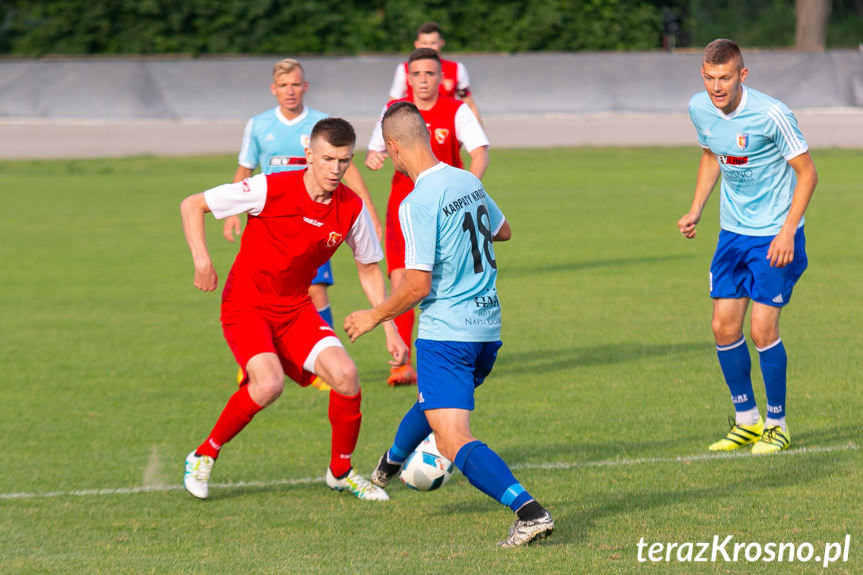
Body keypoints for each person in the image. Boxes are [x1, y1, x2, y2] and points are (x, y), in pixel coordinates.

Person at [345, 102, 554, 547]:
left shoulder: (415, 201)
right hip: (486, 329)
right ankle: (389, 464)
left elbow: (417, 286)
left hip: (447, 333)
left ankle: (529, 511)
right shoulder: (467, 180)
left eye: (389, 153)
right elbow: (504, 231)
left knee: (454, 436)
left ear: (397, 148)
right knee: (436, 403)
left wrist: (372, 314)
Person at [180, 118, 408, 501]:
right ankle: (203, 454)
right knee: (268, 384)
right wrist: (202, 260)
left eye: (344, 161)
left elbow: (368, 268)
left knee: (347, 376)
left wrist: (388, 327)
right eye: (327, 159)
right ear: (309, 155)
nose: (335, 169)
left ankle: (341, 472)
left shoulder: (351, 208)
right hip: (246, 304)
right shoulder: (271, 187)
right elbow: (193, 205)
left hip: (295, 308)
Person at [677, 39, 817, 454]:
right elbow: (709, 155)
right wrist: (696, 208)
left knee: (761, 328)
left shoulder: (772, 113)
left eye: (724, 78)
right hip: (732, 234)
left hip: (775, 234)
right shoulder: (699, 108)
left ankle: (778, 424)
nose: (716, 87)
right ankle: (747, 421)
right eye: (709, 78)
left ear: (743, 75)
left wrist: (789, 230)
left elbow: (807, 174)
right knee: (723, 327)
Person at [224, 59, 383, 392]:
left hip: (316, 219)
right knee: (259, 292)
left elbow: (348, 170)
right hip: (273, 222)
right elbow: (246, 168)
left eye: (296, 84)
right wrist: (232, 214)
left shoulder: (320, 125)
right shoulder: (258, 125)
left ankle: (319, 365)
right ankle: (254, 361)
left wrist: (368, 208)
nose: (290, 91)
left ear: (305, 87)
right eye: (284, 86)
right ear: (274, 89)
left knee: (315, 288)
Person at [367, 47, 490, 385]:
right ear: (408, 78)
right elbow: (374, 151)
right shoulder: (394, 111)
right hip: (403, 206)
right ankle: (402, 360)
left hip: (447, 209)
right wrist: (374, 158)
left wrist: (468, 188)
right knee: (402, 280)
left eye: (430, 74)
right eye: (417, 74)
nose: (423, 80)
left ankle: (448, 351)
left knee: (441, 280)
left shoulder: (456, 110)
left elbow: (480, 152)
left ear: (441, 78)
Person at [388, 21, 482, 124]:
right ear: (417, 44)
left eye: (433, 43)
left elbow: (469, 104)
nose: (428, 47)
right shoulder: (404, 69)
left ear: (441, 43)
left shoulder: (457, 69)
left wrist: (479, 132)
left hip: (447, 129)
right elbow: (393, 103)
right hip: (415, 126)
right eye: (424, 43)